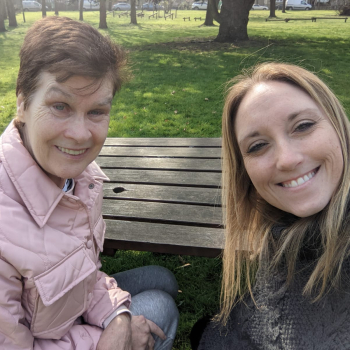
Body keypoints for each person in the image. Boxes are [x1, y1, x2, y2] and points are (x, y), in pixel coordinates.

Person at [0, 16, 179, 350]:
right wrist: (105, 339)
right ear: (22, 102)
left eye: (97, 111)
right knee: (161, 307)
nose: (81, 135)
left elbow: (82, 270)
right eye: (60, 106)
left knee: (162, 279)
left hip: (64, 311)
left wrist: (118, 316)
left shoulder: (80, 179)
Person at [195, 62, 350, 349]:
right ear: (245, 173)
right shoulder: (281, 236)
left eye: (302, 126)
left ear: (339, 126)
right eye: (257, 146)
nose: (287, 159)